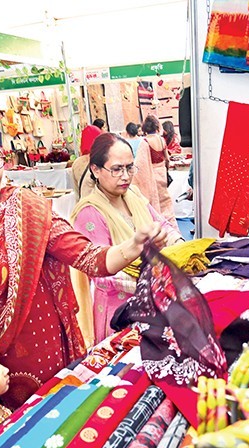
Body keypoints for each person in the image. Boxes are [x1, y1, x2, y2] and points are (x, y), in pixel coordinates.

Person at [0, 113, 164, 410]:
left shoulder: (28, 211)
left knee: (49, 426)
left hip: (37, 349)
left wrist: (133, 245)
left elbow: (90, 258)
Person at [71, 133, 183, 343]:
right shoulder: (89, 213)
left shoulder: (132, 195)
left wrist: (181, 248)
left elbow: (161, 224)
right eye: (117, 169)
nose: (125, 176)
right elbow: (100, 274)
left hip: (152, 298)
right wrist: (149, 284)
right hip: (119, 310)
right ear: (95, 169)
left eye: (130, 167)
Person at [133, 114, 176, 225]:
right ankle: (170, 224)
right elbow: (167, 159)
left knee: (153, 201)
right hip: (162, 172)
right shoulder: (162, 140)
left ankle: (159, 225)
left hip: (151, 173)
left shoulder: (145, 142)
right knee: (164, 200)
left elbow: (140, 164)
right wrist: (165, 170)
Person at [71, 124, 103, 199]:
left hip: (83, 204)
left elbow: (76, 191)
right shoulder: (102, 160)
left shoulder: (77, 162)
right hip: (98, 204)